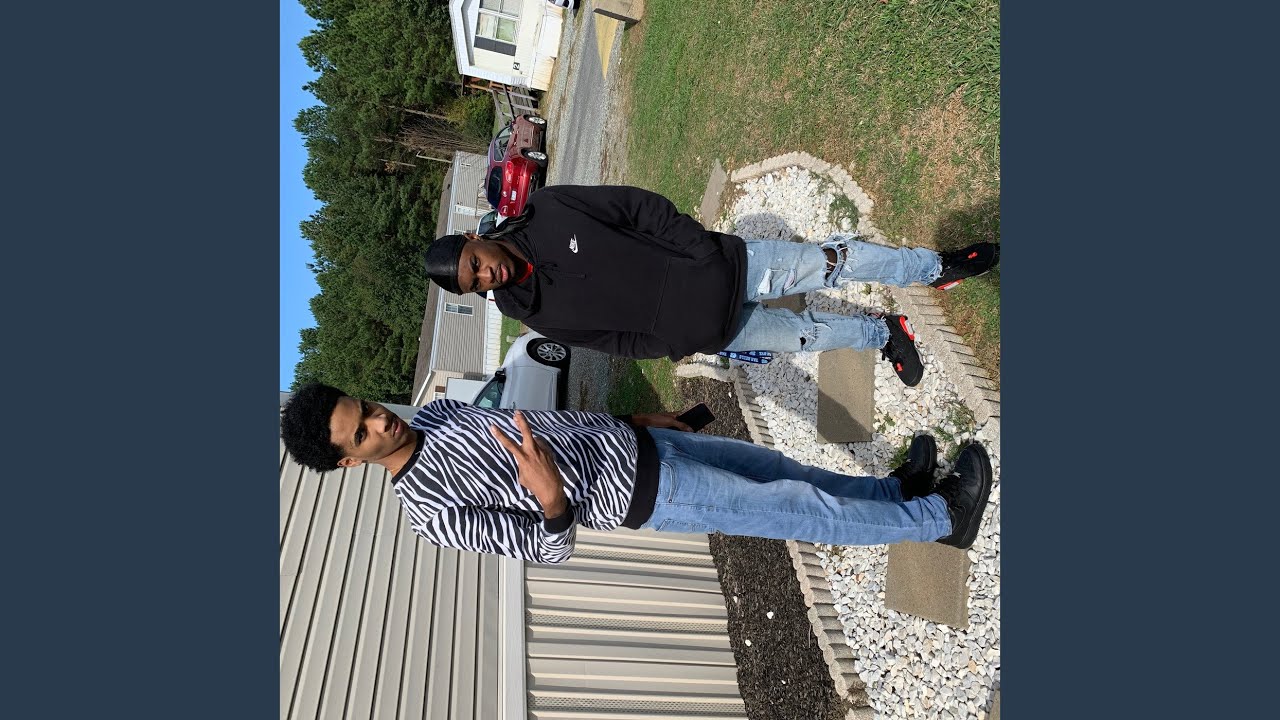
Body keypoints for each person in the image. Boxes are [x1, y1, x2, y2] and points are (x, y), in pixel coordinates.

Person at [280, 383, 994, 565]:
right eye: (363, 433)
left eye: (367, 407)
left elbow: (551, 423)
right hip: (650, 493)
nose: (382, 422)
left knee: (783, 469)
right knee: (793, 505)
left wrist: (637, 420)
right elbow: (548, 548)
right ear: (348, 463)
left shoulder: (437, 414)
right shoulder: (429, 513)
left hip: (647, 445)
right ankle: (939, 519)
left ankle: (895, 492)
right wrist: (550, 497)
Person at [423, 185, 998, 386]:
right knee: (807, 336)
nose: (487, 275)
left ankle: (933, 269)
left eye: (476, 262)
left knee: (830, 263)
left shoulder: (549, 210)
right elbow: (613, 341)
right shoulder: (534, 315)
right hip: (714, 330)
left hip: (730, 265)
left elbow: (637, 208)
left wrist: (699, 249)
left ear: (475, 238)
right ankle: (884, 333)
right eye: (476, 284)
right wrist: (674, 342)